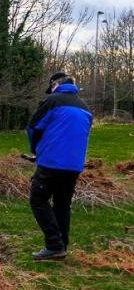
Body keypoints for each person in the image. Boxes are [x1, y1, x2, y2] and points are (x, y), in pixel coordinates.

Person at [26, 72, 92, 260]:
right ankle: (61, 246)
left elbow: (32, 128)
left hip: (52, 161)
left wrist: (36, 150)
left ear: (56, 84)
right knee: (62, 204)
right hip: (74, 164)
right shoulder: (84, 106)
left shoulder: (52, 100)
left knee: (38, 200)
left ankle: (54, 245)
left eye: (51, 87)